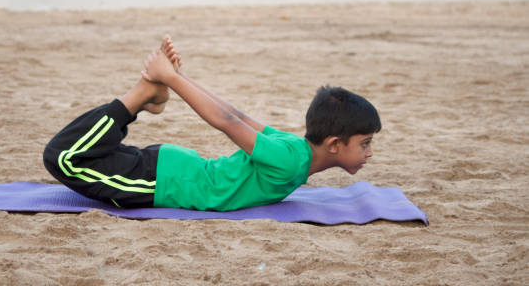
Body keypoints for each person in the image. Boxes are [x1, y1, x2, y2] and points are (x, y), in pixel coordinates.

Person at [43, 36, 381, 211]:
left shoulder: (293, 148)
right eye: (365, 142)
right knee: (63, 158)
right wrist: (172, 80)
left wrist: (178, 77)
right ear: (335, 144)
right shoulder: (291, 161)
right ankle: (140, 95)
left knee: (86, 155)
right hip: (163, 184)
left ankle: (149, 94)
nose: (369, 152)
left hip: (171, 170)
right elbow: (227, 119)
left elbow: (239, 115)